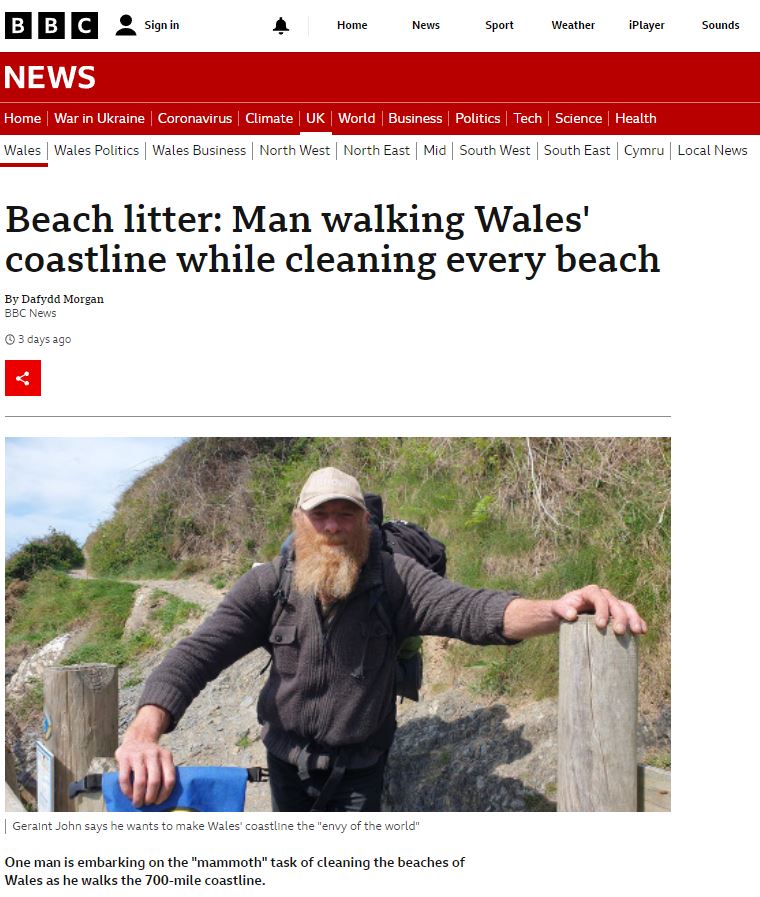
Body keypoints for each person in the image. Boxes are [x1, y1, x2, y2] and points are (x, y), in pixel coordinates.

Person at [116, 466, 647, 811]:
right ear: (298, 521)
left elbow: (470, 609)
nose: (332, 526)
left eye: (344, 513)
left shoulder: (394, 578)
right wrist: (143, 732)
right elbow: (197, 654)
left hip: (359, 771)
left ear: (364, 520)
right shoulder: (267, 584)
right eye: (319, 514)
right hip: (284, 762)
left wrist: (556, 609)